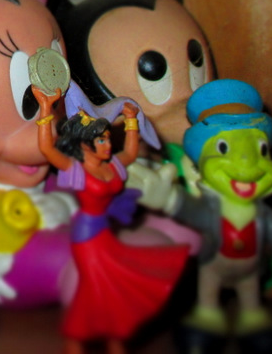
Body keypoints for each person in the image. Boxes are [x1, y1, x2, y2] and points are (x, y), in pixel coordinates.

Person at [33, 86, 189, 354]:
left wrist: (131, 121)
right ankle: (76, 339)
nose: (108, 145)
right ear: (86, 145)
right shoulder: (77, 169)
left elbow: (130, 152)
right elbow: (47, 149)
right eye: (102, 141)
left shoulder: (111, 165)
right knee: (95, 289)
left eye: (107, 139)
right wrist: (46, 110)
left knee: (112, 287)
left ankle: (114, 337)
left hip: (105, 232)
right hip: (87, 238)